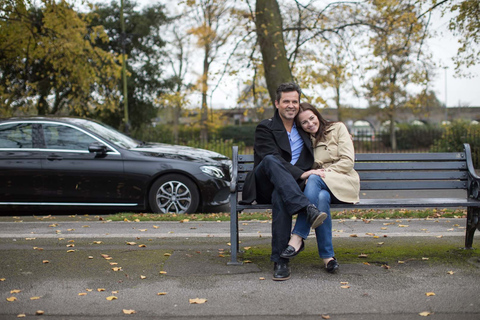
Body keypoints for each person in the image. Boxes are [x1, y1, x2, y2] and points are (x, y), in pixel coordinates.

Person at [242, 83, 328, 281]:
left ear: (299, 104)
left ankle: (280, 260)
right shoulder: (266, 127)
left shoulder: (304, 127)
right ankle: (306, 208)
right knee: (271, 160)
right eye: (286, 101)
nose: (291, 105)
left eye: (295, 101)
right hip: (265, 183)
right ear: (277, 103)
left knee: (280, 195)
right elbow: (268, 157)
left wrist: (344, 137)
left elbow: (327, 129)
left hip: (289, 189)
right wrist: (301, 174)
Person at [280, 102, 360, 273]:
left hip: (343, 181)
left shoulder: (338, 128)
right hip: (322, 188)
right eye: (304, 122)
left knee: (315, 177)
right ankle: (327, 257)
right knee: (321, 198)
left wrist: (323, 172)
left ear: (317, 116)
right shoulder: (306, 140)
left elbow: (348, 162)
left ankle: (297, 237)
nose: (310, 123)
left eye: (311, 118)